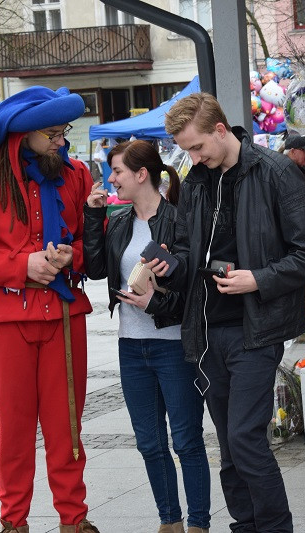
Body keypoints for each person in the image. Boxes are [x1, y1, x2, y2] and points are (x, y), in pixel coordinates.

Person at [161, 92, 305, 533]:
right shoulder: (195, 180)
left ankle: (274, 528)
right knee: (231, 449)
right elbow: (185, 247)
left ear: (220, 130)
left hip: (257, 328)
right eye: (186, 150)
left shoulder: (275, 171)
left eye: (197, 147)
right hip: (207, 332)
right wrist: (169, 265)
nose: (193, 157)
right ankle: (245, 525)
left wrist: (259, 278)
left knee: (245, 439)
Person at [0, 87, 99, 533]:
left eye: (63, 132)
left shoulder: (75, 176)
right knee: (14, 429)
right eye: (53, 133)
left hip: (65, 318)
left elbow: (96, 241)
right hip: (7, 319)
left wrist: (76, 256)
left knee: (67, 425)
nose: (61, 141)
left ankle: (75, 519)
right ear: (23, 134)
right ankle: (14, 521)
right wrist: (20, 265)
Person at [82, 140, 210, 533]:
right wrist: (92, 216)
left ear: (141, 175)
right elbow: (97, 268)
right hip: (131, 346)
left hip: (173, 345)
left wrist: (154, 300)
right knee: (149, 443)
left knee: (186, 441)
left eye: (117, 171)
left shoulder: (179, 219)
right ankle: (169, 522)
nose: (111, 179)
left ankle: (199, 524)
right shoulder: (119, 221)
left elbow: (190, 287)